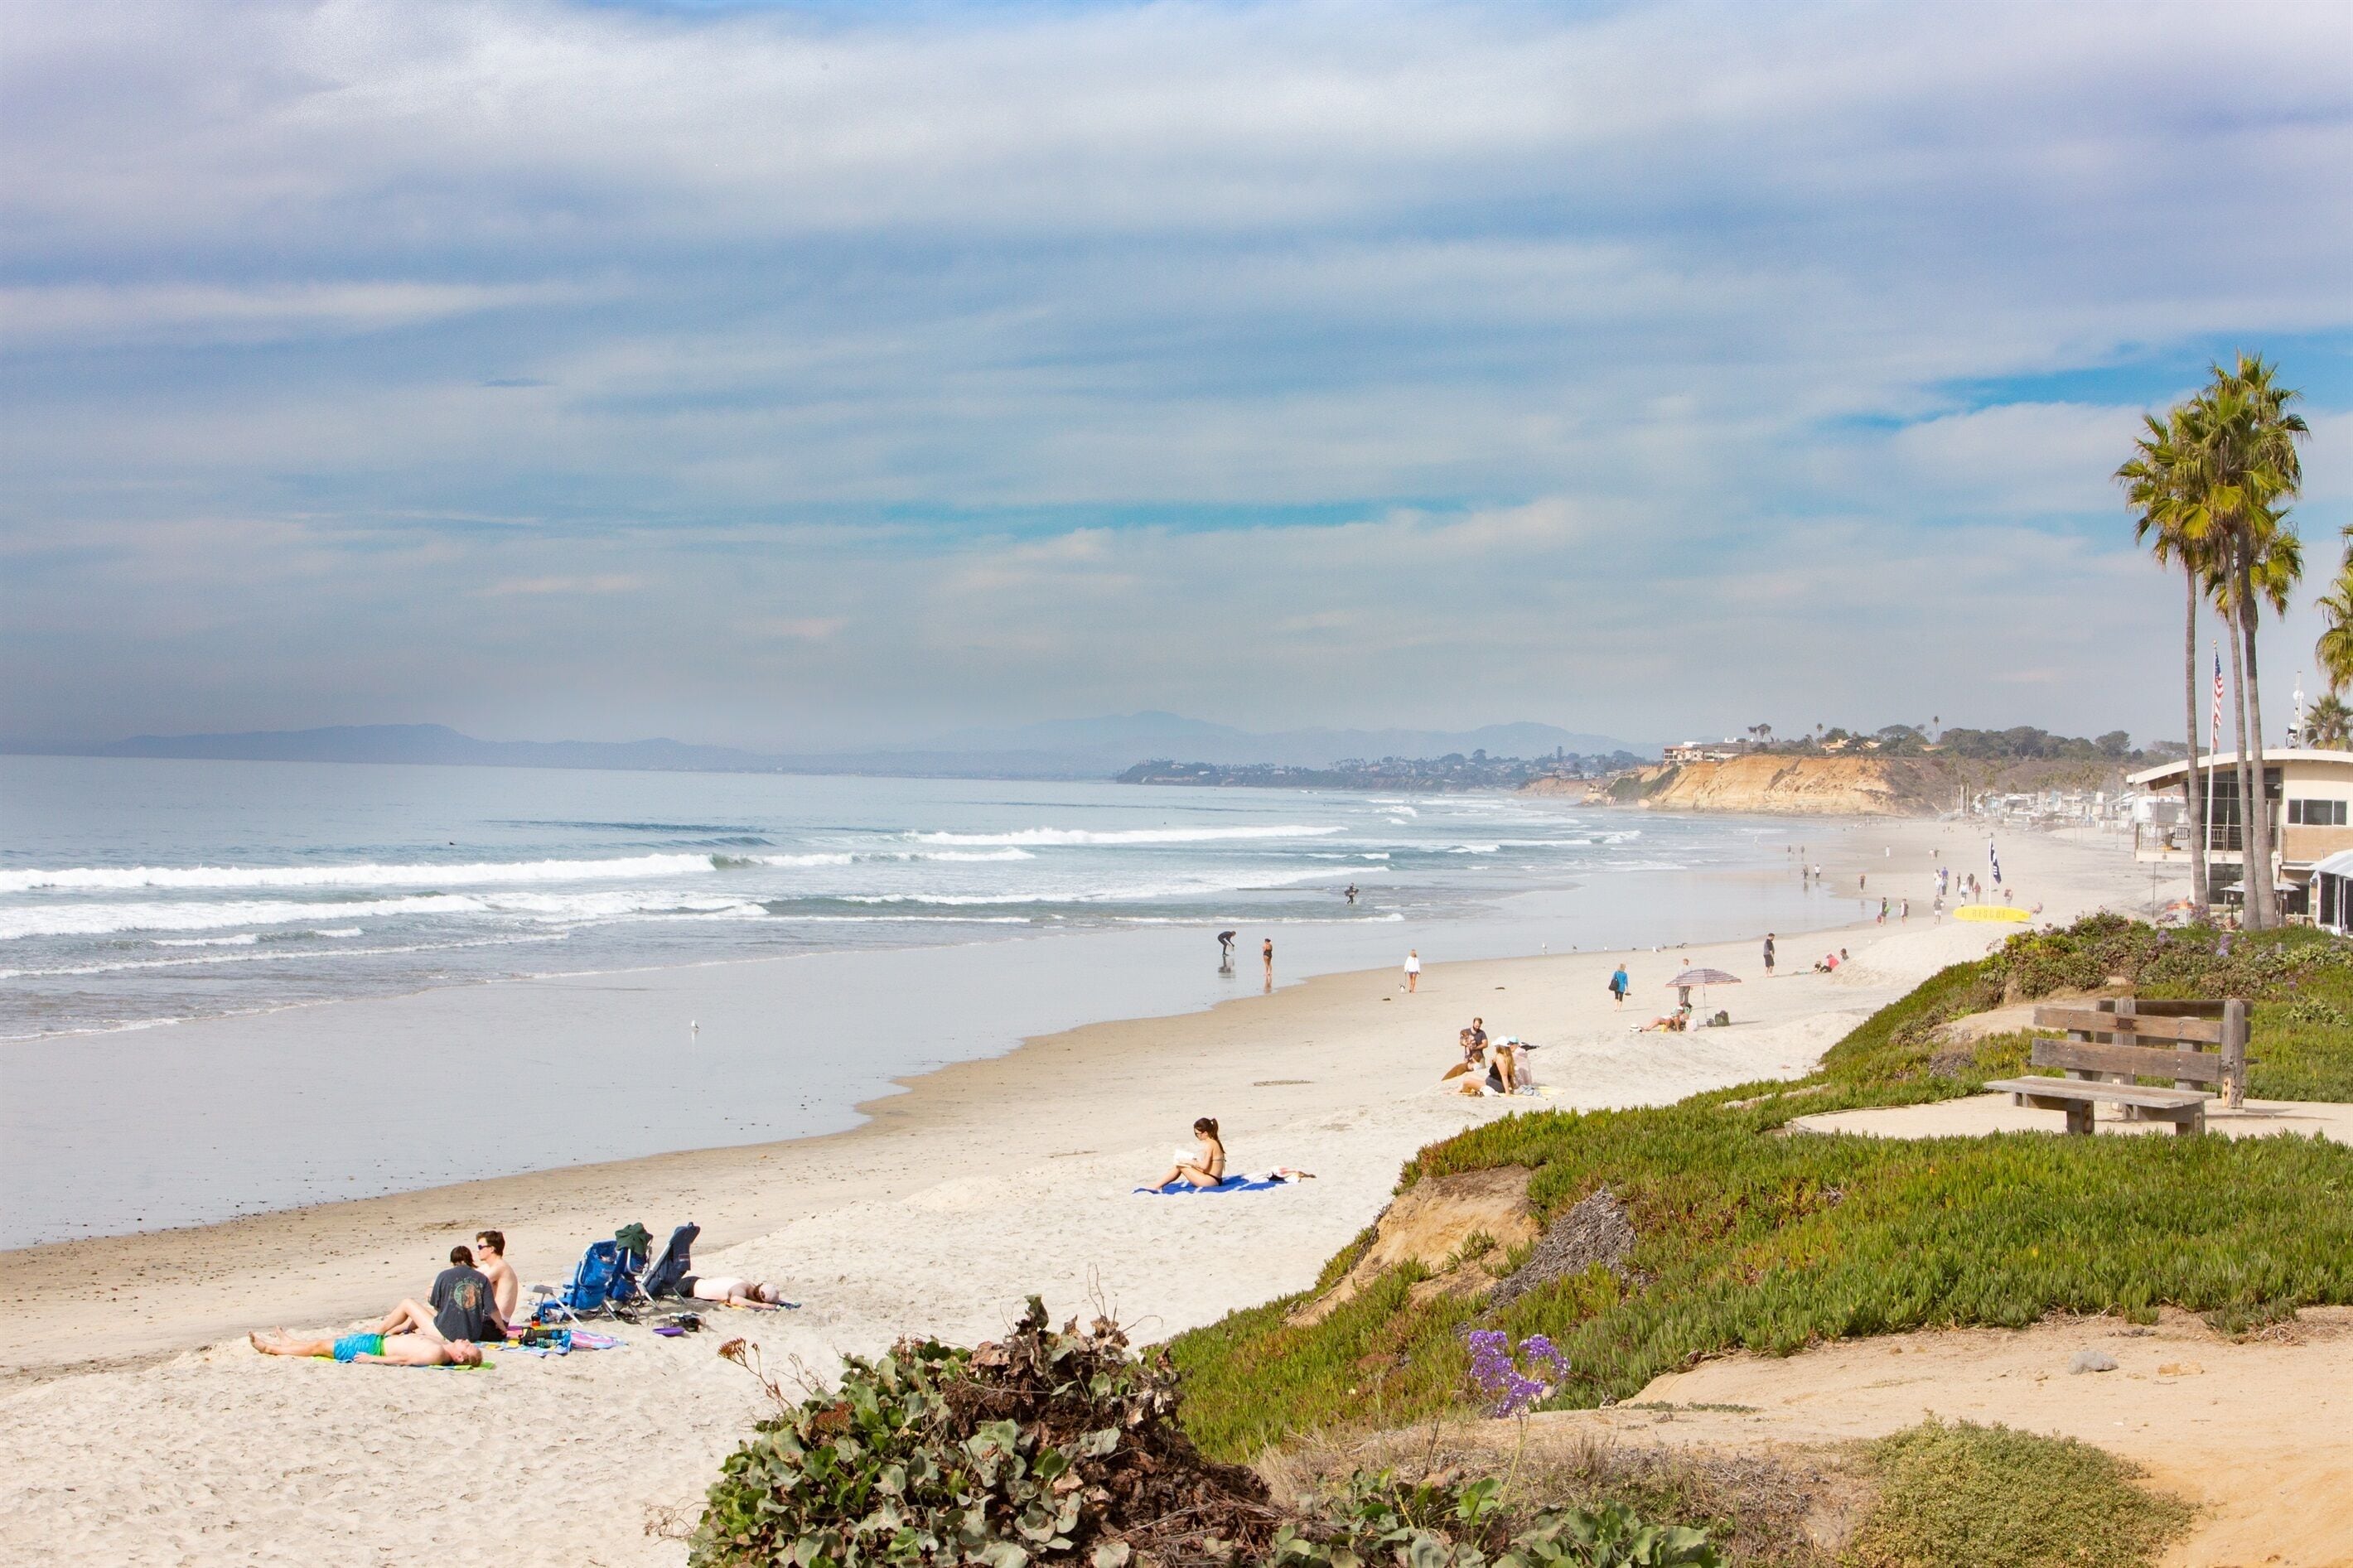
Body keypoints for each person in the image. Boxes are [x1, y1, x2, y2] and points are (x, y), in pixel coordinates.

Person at [251, 1325, 482, 1367]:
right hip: (377, 1342)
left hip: (375, 1349)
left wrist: (374, 1359)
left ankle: (271, 1349)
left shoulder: (437, 1353)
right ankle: (291, 1343)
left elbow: (405, 1360)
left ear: (460, 1358)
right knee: (325, 1343)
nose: (466, 1341)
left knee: (320, 1347)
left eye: (468, 1347)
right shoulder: (442, 1345)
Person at [426, 1246, 502, 1343]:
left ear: (452, 1262)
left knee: (408, 1304)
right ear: (470, 1260)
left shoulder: (443, 1276)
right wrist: (502, 1326)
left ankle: (399, 1329)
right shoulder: (482, 1278)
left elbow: (436, 1305)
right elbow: (491, 1309)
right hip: (473, 1334)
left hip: (447, 1333)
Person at [1147, 1117, 1227, 1191]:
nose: (1197, 1136)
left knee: (1180, 1165)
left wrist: (1189, 1162)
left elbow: (1204, 1166)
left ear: (1205, 1133)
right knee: (1182, 1163)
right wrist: (1193, 1162)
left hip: (1211, 1181)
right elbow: (1209, 1166)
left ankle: (1156, 1186)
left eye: (1197, 1134)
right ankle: (1157, 1185)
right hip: (1215, 1179)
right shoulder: (1214, 1142)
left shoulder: (1210, 1144)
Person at [474, 1230, 519, 1329]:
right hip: (492, 1321)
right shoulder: (492, 1266)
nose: (478, 1251)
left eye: (480, 1247)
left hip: (495, 1325)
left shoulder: (500, 1267)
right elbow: (469, 1275)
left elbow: (474, 1284)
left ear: (491, 1249)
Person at [679, 1276, 790, 1306]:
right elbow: (735, 1300)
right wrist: (762, 1306)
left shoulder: (750, 1285)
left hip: (696, 1282)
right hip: (688, 1288)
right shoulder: (741, 1289)